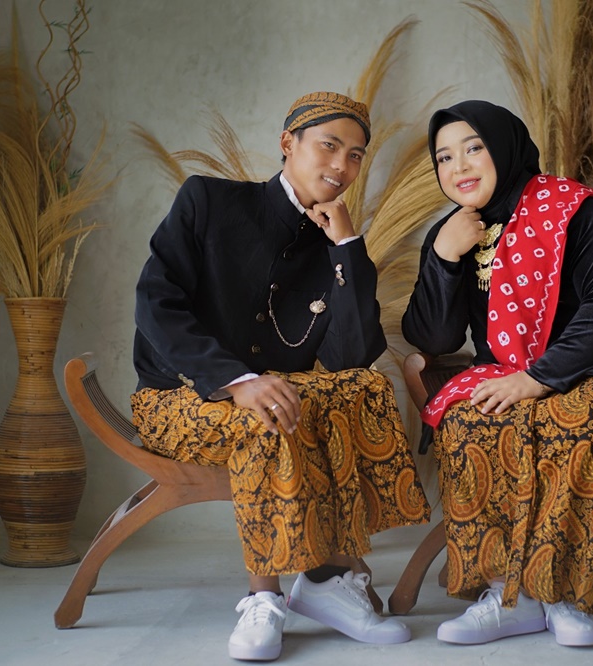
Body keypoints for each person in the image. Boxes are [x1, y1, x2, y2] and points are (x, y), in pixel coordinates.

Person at [132, 91, 431, 662]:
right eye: (329, 146)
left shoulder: (332, 242)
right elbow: (154, 303)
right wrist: (237, 380)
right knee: (268, 415)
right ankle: (263, 597)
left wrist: (347, 248)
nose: (342, 166)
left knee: (363, 388)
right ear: (287, 144)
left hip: (275, 393)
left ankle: (325, 582)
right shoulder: (209, 200)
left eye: (356, 156)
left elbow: (351, 357)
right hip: (176, 396)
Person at [401, 100, 593, 648]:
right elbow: (433, 339)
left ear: (505, 148)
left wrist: (540, 378)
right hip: (510, 372)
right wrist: (444, 258)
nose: (459, 166)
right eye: (444, 157)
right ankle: (509, 597)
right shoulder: (454, 231)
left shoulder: (575, 210)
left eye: (474, 148)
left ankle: (566, 596)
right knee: (470, 421)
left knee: (580, 416)